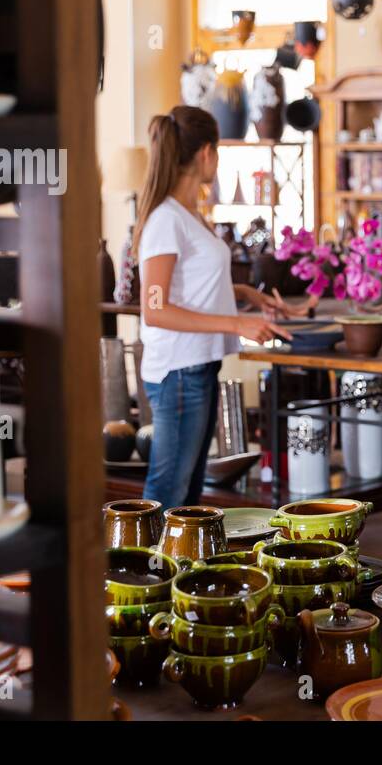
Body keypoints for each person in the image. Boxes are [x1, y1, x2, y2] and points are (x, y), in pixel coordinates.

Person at [133, 105, 290, 508]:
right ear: (206, 153)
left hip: (196, 368)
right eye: (217, 151)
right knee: (168, 490)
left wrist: (244, 293)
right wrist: (237, 323)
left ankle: (172, 569)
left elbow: (193, 286)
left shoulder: (188, 215)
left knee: (186, 493)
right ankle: (141, 570)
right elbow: (156, 309)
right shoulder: (166, 220)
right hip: (178, 373)